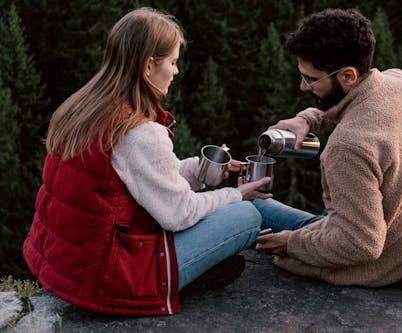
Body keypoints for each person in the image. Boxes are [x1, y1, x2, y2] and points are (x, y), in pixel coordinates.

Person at [23, 7, 271, 316]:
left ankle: (311, 234)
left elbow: (137, 178)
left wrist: (199, 170)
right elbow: (180, 214)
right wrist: (236, 195)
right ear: (148, 66)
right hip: (111, 277)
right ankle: (315, 238)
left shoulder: (82, 108)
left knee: (241, 208)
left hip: (66, 266)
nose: (176, 72)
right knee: (247, 215)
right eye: (173, 62)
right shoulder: (138, 132)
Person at [254, 8, 402, 288]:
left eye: (310, 78)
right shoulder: (401, 83)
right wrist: (309, 118)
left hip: (384, 262)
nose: (303, 87)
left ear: (347, 76)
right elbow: (365, 109)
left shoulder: (347, 148)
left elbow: (361, 244)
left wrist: (293, 243)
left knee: (250, 209)